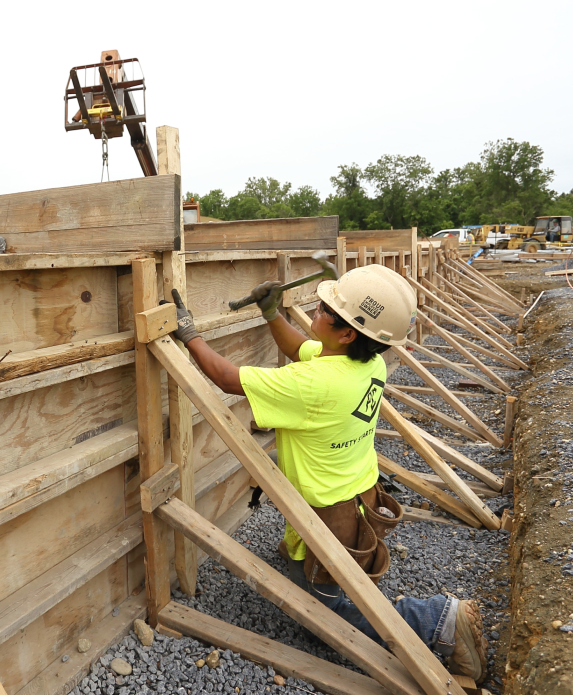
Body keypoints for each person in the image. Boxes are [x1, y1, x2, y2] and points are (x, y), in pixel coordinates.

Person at [168, 264, 488, 683]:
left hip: (328, 518)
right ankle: (311, 564)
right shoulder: (363, 365)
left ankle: (439, 621)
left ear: (348, 333)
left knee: (325, 610)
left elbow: (228, 378)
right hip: (358, 497)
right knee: (322, 567)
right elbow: (303, 346)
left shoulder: (313, 384)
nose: (314, 311)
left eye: (322, 309)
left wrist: (189, 333)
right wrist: (270, 315)